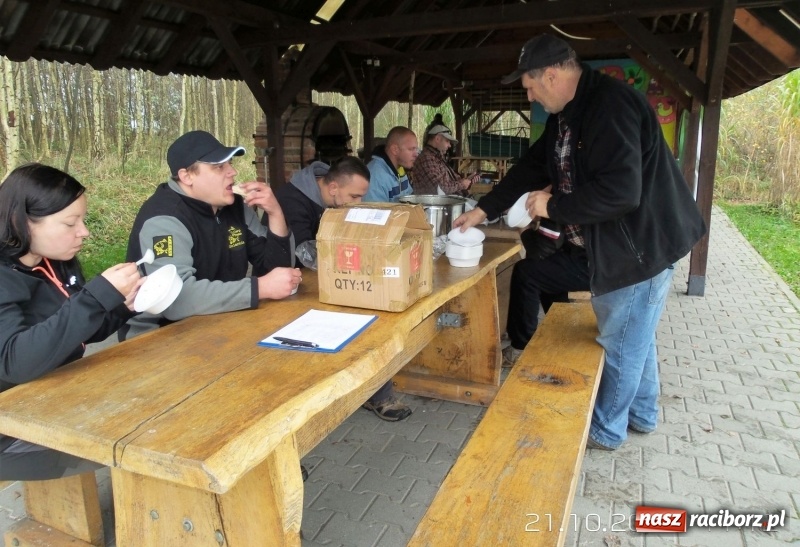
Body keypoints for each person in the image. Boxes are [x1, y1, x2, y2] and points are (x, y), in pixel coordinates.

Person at [454, 34, 706, 451]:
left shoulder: (611, 106)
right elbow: (529, 167)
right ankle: (643, 414)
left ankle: (606, 431)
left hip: (640, 248)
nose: (530, 96)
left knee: (621, 341)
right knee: (633, 336)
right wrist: (483, 211)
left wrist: (554, 206)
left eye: (531, 87)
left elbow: (623, 191)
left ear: (551, 75)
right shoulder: (565, 116)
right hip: (618, 246)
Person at [0, 163, 143, 480]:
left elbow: (77, 334)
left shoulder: (53, 260)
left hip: (54, 396)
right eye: (69, 223)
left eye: (83, 219)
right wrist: (95, 298)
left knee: (154, 401)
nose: (84, 232)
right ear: (21, 222)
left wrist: (122, 305)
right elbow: (15, 362)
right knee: (140, 435)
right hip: (10, 430)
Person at [120, 130, 301, 341]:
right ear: (187, 176)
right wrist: (259, 288)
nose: (232, 172)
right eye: (219, 167)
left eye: (230, 164)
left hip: (218, 320)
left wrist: (275, 213)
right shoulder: (164, 219)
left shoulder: (234, 207)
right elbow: (177, 300)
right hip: (158, 336)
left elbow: (278, 273)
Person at [274, 156, 412, 422]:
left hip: (327, 278)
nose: (358, 203)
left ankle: (377, 393)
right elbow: (305, 254)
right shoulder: (292, 200)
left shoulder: (337, 192)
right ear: (334, 188)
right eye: (355, 197)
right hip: (289, 284)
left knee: (377, 314)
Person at [413, 123, 479, 196]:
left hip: (444, 202)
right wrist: (462, 184)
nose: (449, 145)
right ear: (437, 139)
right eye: (447, 141)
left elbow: (450, 182)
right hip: (433, 205)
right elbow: (439, 188)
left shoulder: (437, 157)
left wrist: (467, 180)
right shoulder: (426, 159)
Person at [363, 126, 418, 202]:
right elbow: (376, 213)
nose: (416, 154)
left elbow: (408, 197)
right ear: (395, 150)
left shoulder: (400, 168)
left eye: (416, 149)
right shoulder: (375, 177)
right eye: (411, 149)